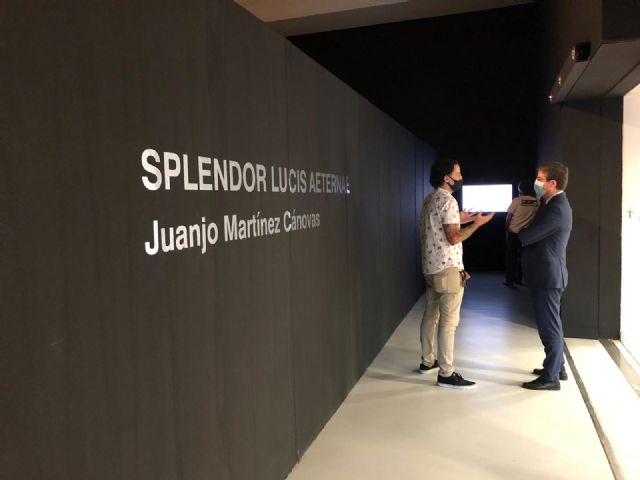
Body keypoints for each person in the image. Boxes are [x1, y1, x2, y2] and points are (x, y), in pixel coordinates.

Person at [418, 158, 494, 389]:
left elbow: (443, 223)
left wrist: (465, 217)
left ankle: (427, 361)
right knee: (449, 322)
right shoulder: (449, 201)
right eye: (458, 173)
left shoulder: (430, 198)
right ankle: (446, 373)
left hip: (430, 267)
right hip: (448, 269)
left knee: (430, 315)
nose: (461, 177)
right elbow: (453, 237)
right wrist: (477, 224)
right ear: (447, 178)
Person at [519, 162, 572, 391]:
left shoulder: (556, 208)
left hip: (548, 276)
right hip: (546, 274)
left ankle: (551, 378)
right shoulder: (550, 204)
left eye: (540, 179)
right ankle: (557, 367)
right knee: (552, 324)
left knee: (549, 327)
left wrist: (520, 229)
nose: (537, 182)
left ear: (552, 183)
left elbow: (528, 236)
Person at [504, 180, 539, 286]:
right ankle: (519, 279)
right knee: (522, 258)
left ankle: (509, 281)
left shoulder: (517, 201)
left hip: (513, 233)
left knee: (511, 257)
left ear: (520, 189)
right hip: (527, 234)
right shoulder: (537, 202)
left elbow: (509, 217)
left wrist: (507, 229)